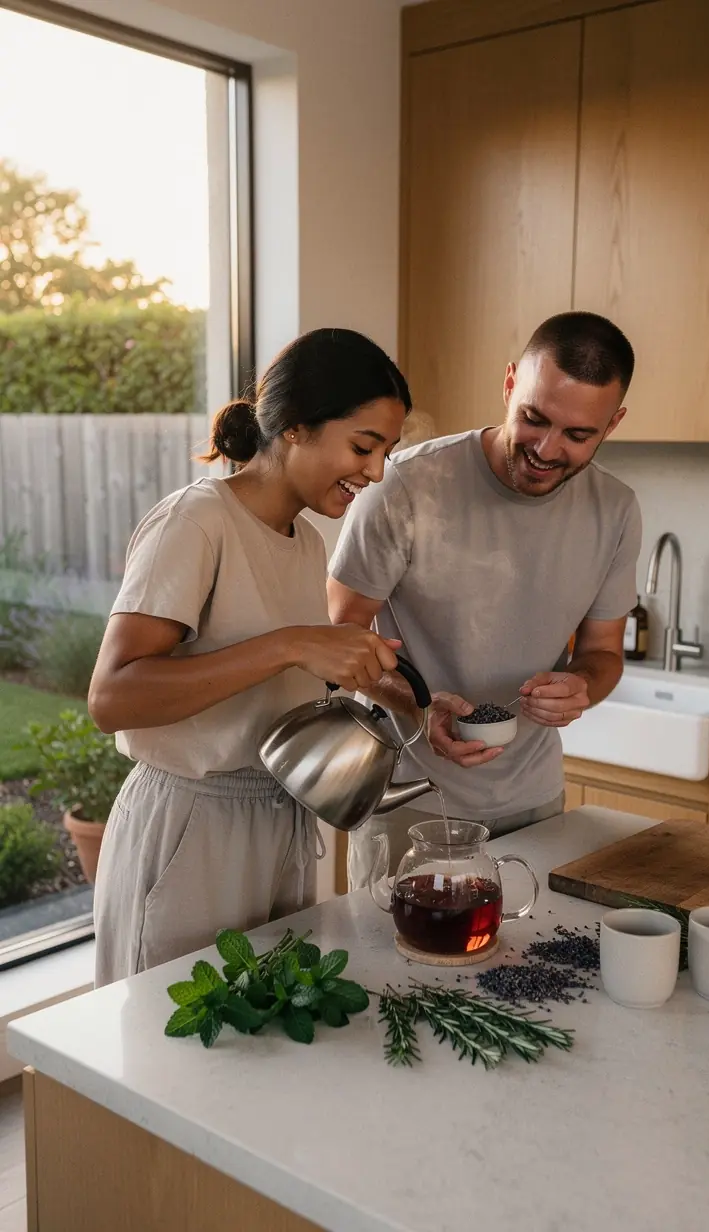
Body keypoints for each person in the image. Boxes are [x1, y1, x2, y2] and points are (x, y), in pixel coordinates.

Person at [89, 328, 410, 986]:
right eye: (364, 446)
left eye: (386, 452)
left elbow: (274, 686)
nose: (376, 473)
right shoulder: (195, 521)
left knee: (258, 1056)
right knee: (174, 1056)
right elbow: (111, 697)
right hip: (190, 827)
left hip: (277, 822)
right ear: (294, 428)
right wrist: (291, 643)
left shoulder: (306, 545)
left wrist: (392, 687)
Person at [328, 311, 642, 891]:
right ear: (508, 385)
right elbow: (341, 641)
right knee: (395, 976)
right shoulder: (404, 487)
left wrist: (583, 687)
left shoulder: (616, 511)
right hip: (411, 800)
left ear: (612, 423)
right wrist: (417, 707)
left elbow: (603, 653)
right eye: (533, 418)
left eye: (578, 435)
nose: (547, 449)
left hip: (536, 802)